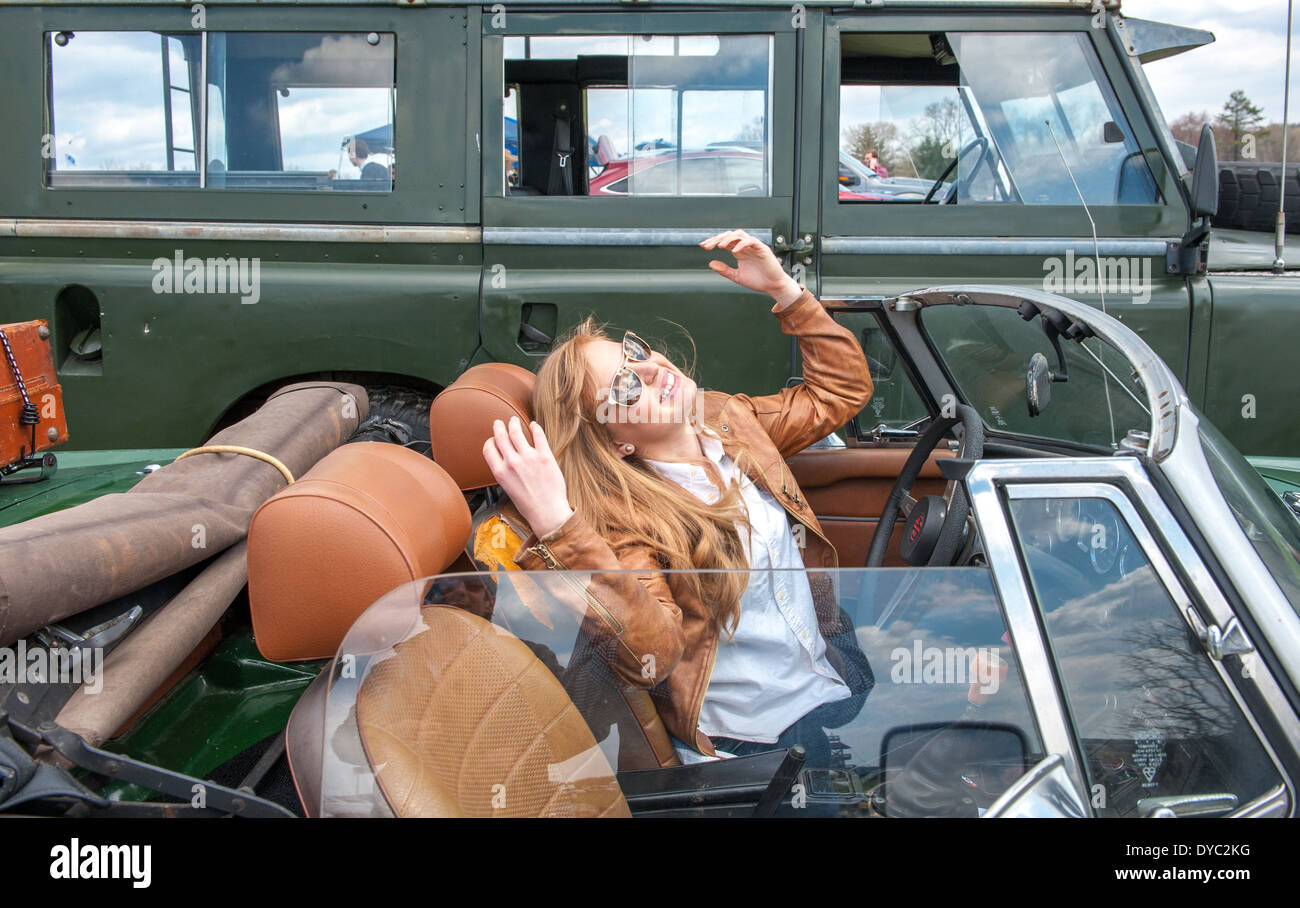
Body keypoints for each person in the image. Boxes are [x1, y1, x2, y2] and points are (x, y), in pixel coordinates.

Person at [481, 229, 875, 767]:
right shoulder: (625, 521)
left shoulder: (726, 421)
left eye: (635, 352)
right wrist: (558, 523)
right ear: (616, 442)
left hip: (828, 674)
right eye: (624, 386)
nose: (651, 369)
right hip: (760, 737)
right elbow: (652, 655)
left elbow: (840, 393)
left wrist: (786, 291)